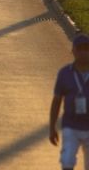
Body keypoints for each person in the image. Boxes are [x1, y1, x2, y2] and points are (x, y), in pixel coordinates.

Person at [49, 34, 89, 170]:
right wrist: (52, 127)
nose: (84, 52)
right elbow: (56, 101)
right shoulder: (65, 73)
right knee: (67, 161)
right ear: (73, 51)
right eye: (80, 49)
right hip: (71, 126)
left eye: (87, 48)